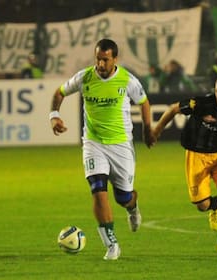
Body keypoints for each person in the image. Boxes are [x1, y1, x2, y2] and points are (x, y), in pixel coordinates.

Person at [49, 38, 155, 260]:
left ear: (114, 59)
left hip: (121, 145)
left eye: (105, 60)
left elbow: (143, 102)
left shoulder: (127, 79)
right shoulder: (85, 77)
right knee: (98, 190)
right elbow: (59, 93)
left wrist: (147, 129)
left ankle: (133, 208)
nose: (100, 64)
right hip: (93, 143)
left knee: (123, 197)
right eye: (98, 59)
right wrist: (54, 116)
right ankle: (111, 244)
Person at [152, 72, 217, 254]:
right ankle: (214, 206)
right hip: (196, 155)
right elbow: (173, 109)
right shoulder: (202, 104)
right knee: (202, 205)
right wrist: (157, 130)